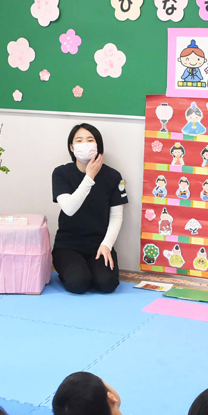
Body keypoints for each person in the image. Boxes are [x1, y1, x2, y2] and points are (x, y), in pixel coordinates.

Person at [51, 124, 128, 294]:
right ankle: (73, 271)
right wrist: (90, 176)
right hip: (68, 245)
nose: (84, 144)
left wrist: (107, 245)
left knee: (107, 284)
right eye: (79, 141)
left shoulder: (113, 176)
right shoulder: (61, 173)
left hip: (99, 245)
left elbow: (117, 216)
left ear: (98, 145)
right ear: (72, 147)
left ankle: (90, 269)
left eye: (90, 140)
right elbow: (69, 209)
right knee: (78, 284)